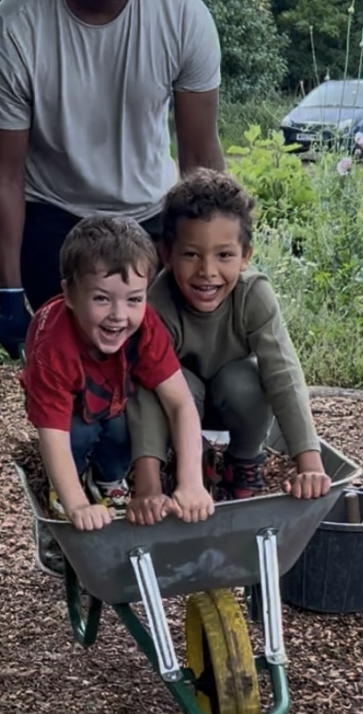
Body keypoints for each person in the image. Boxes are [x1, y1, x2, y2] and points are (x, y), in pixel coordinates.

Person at [0, 0, 226, 358]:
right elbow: (3, 173)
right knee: (74, 394)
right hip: (54, 218)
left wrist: (211, 250)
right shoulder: (16, 26)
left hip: (149, 215)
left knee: (154, 375)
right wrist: (8, 292)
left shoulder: (182, 13)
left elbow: (198, 152)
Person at [126, 169, 332, 525]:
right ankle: (186, 459)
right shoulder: (157, 304)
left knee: (247, 378)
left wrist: (309, 463)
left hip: (233, 403)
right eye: (191, 254)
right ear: (167, 254)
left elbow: (284, 374)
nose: (207, 271)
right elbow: (144, 392)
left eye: (224, 255)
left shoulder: (254, 296)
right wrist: (147, 489)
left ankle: (242, 461)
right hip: (179, 406)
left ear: (245, 255)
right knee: (167, 384)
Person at [22, 215, 214, 532]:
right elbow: (52, 435)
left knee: (125, 426)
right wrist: (77, 505)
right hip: (68, 413)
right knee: (79, 432)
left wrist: (190, 482)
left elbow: (180, 403)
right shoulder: (53, 348)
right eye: (101, 298)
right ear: (69, 295)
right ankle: (67, 486)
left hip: (112, 396)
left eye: (134, 299)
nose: (118, 315)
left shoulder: (146, 327)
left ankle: (110, 481)